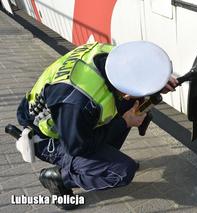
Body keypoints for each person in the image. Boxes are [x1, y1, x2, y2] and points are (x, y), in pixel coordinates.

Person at [16, 41, 178, 210]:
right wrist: (124, 122)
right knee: (122, 171)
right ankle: (58, 178)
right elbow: (76, 146)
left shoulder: (113, 57)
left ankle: (102, 161)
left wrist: (156, 83)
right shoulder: (77, 101)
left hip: (72, 122)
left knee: (131, 106)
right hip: (49, 138)